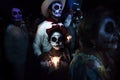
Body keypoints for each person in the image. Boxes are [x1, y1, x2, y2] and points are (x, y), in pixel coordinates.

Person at [69, 6, 119, 80]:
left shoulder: (104, 55)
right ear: (92, 37)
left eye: (116, 28)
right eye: (109, 29)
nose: (118, 33)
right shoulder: (86, 65)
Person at [4, 7, 29, 80]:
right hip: (17, 61)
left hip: (24, 58)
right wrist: (13, 62)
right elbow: (7, 47)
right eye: (15, 13)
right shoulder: (10, 29)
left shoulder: (22, 26)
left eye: (19, 13)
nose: (18, 15)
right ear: (11, 16)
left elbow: (26, 38)